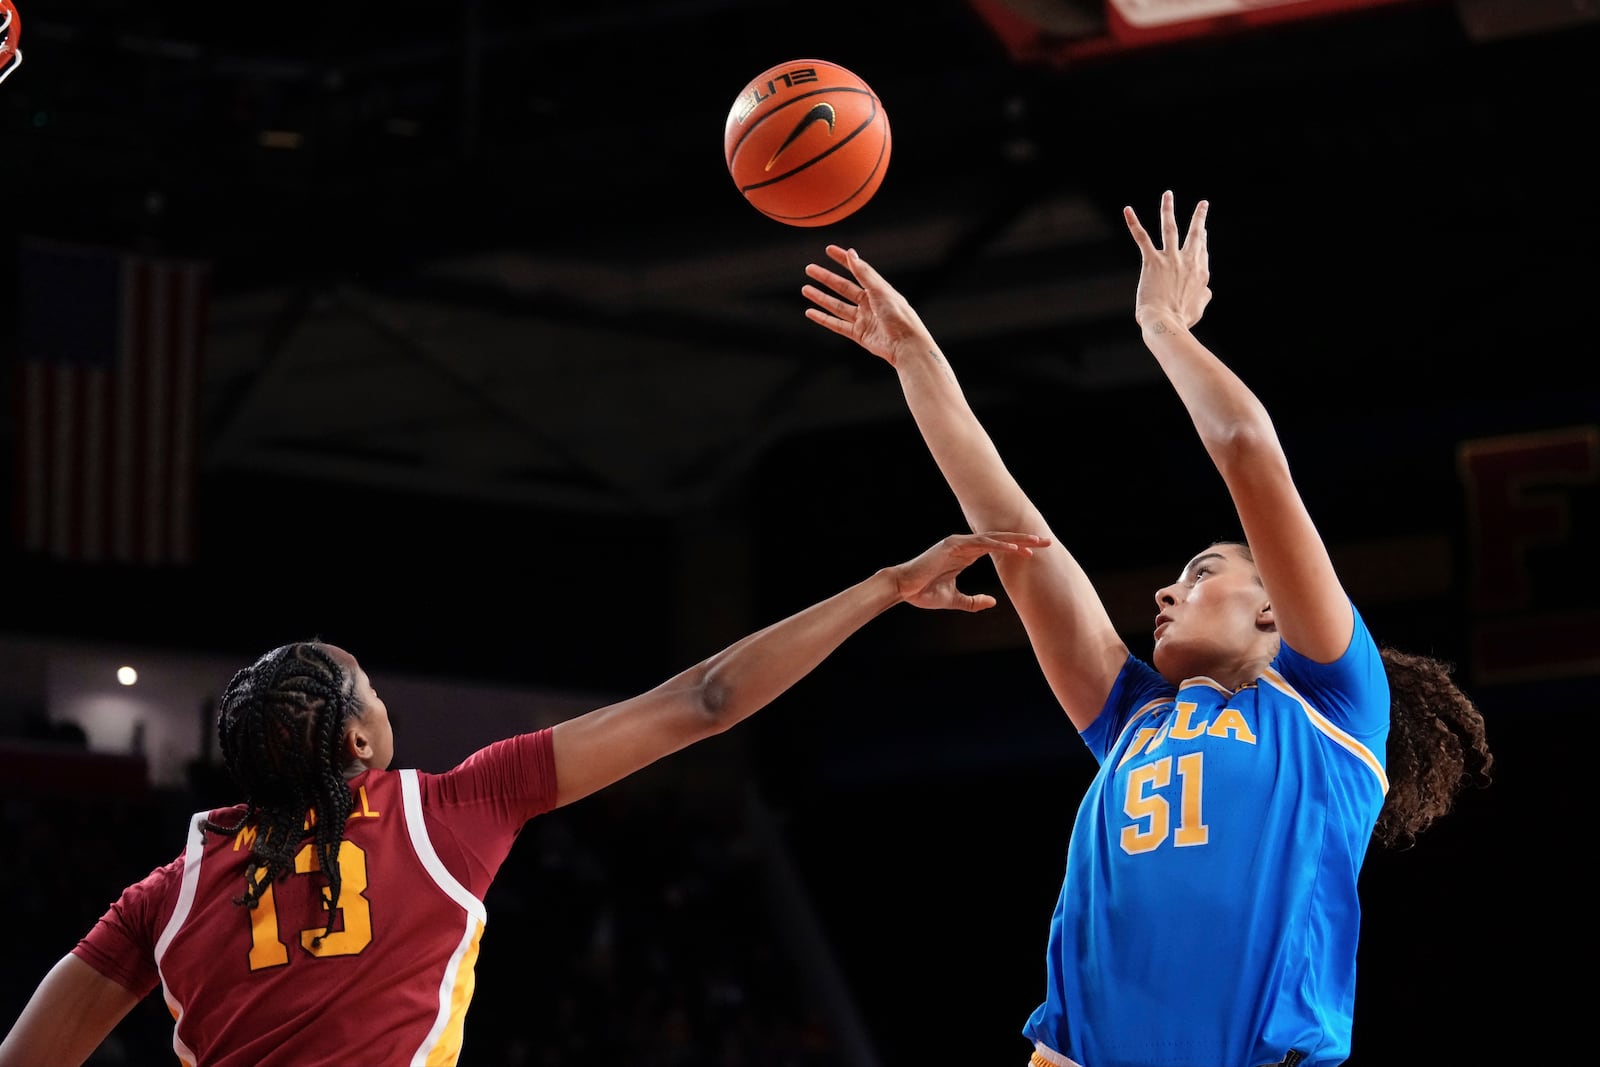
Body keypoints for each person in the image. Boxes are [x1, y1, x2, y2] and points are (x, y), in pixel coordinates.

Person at [800, 190, 1494, 1067]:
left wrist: (1164, 326)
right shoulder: (1135, 717)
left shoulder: (1333, 709)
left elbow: (1245, 443)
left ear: (1273, 607)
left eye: (1202, 572)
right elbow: (1015, 543)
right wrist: (913, 357)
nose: (1165, 593)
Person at [0, 529, 1048, 1067]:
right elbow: (705, 699)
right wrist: (878, 586)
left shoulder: (165, 895)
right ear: (359, 739)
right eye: (368, 683)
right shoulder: (447, 811)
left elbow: (26, 1056)